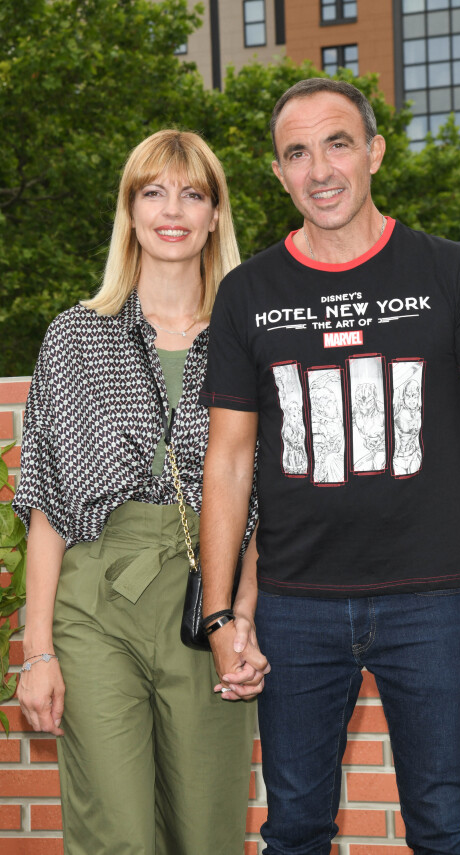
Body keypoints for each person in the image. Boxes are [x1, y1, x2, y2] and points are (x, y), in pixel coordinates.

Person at [198, 79, 460, 855]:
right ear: (278, 172)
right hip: (295, 605)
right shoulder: (247, 293)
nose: (320, 168)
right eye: (298, 152)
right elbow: (228, 460)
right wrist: (222, 615)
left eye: (338, 142)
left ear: (376, 152)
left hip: (430, 598)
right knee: (293, 830)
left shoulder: (450, 271)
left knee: (447, 827)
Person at [14, 129, 267, 855]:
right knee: (115, 834)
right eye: (152, 191)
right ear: (129, 211)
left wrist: (241, 614)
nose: (172, 209)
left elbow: (266, 500)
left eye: (192, 193)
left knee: (207, 830)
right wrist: (37, 651)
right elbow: (47, 501)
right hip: (96, 599)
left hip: (206, 598)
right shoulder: (74, 336)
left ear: (216, 214)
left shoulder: (249, 340)